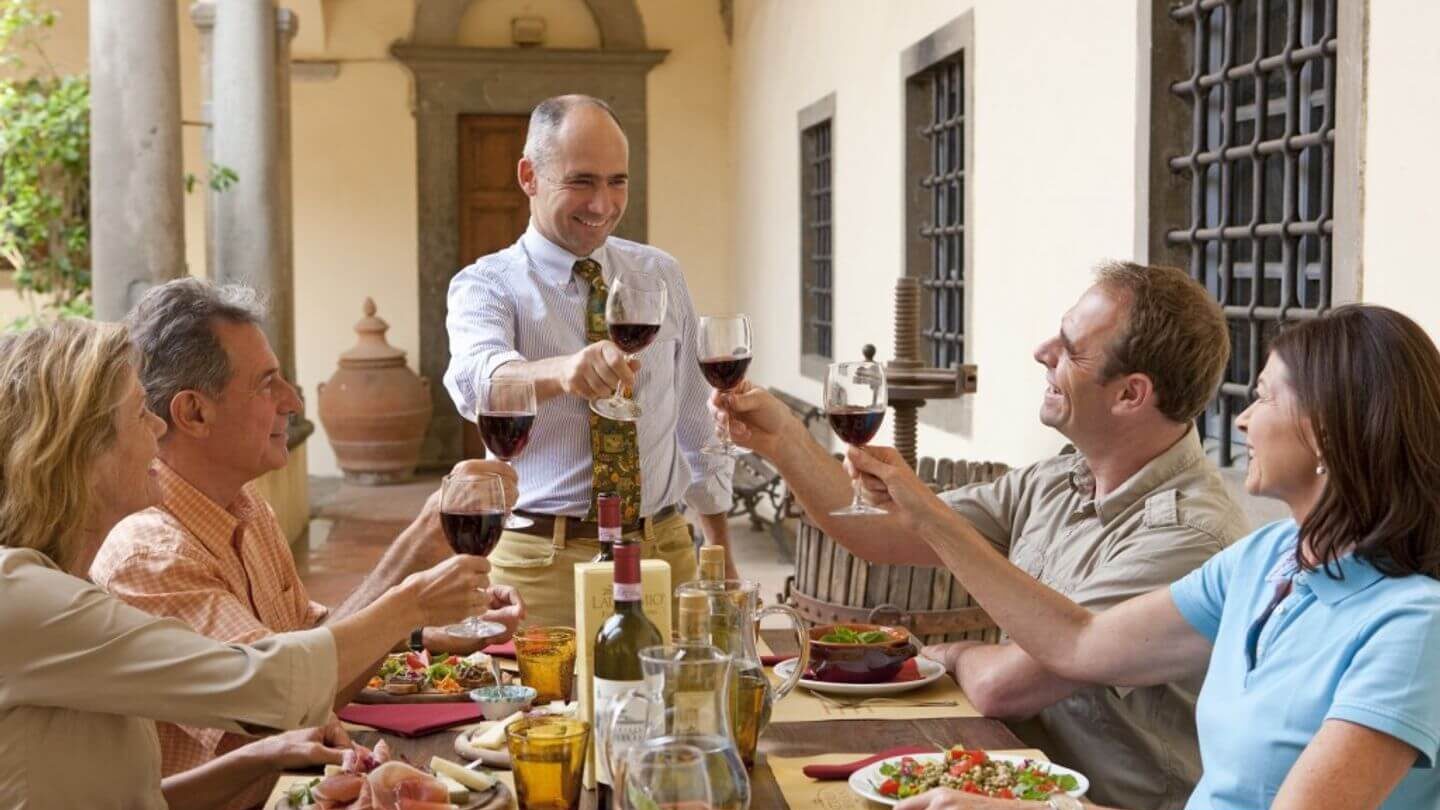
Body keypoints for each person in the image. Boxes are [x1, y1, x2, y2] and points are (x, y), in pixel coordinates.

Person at [858, 304, 1440, 810]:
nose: (1241, 419)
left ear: (1328, 435)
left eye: (1262, 397)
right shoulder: (1268, 559)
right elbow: (1078, 643)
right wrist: (927, 514)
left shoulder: (1413, 627)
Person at [714, 263, 1247, 809]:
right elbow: (881, 534)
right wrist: (784, 440)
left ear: (1131, 395)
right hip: (1002, 773)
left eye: (1069, 349)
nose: (1043, 352)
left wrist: (955, 651)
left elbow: (1004, 687)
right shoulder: (1059, 477)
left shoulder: (1187, 536)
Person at [0, 319, 494, 810]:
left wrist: (262, 759)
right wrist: (411, 600)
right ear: (78, 448)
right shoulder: (27, 596)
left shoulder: (59, 582)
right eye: (138, 414)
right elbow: (264, 685)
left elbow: (143, 798)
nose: (157, 426)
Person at [444, 94, 735, 627]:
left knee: (677, 708)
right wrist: (562, 372)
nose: (602, 204)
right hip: (540, 565)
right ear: (529, 175)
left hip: (665, 552)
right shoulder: (486, 283)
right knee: (544, 712)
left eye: (617, 181)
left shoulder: (660, 273)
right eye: (581, 182)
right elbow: (475, 383)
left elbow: (696, 419)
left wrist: (719, 553)